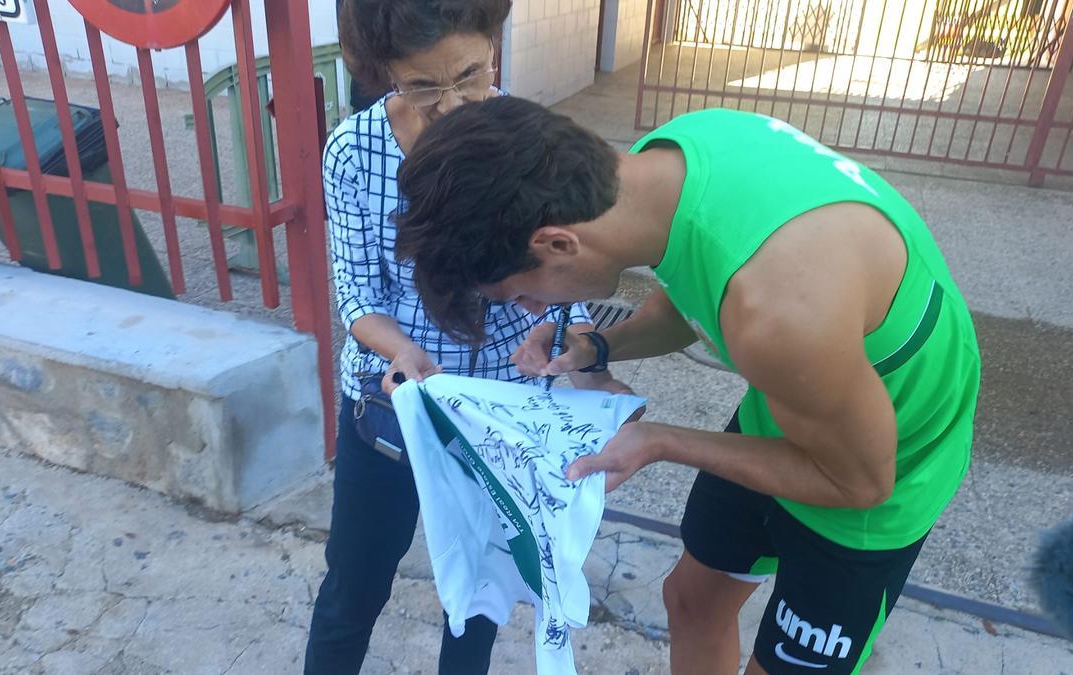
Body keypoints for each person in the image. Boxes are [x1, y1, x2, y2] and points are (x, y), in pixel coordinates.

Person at [390, 96, 982, 674]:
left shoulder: (777, 316)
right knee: (691, 600)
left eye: (518, 293)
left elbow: (857, 481)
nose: (527, 308)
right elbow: (696, 292)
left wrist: (660, 442)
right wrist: (598, 346)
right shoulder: (669, 161)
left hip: (881, 462)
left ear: (556, 243)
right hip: (798, 398)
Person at [305, 4, 629, 674]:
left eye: (470, 75)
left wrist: (571, 336)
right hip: (393, 407)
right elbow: (358, 297)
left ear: (493, 46)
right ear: (384, 72)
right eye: (423, 86)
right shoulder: (353, 153)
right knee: (353, 587)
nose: (451, 105)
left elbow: (570, 275)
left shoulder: (529, 143)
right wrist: (402, 351)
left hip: (499, 417)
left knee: (478, 600)